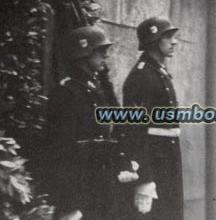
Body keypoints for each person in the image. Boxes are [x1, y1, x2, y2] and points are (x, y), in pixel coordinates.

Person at [46, 25, 138, 220]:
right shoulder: (67, 93)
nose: (106, 56)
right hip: (80, 191)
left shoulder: (95, 90)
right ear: (83, 54)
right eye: (100, 51)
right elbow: (61, 150)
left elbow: (114, 124)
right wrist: (69, 203)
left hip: (101, 186)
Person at [122, 16, 184, 220]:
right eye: (168, 37)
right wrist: (144, 178)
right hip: (154, 162)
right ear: (154, 41)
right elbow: (133, 130)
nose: (174, 42)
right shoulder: (141, 76)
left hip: (167, 158)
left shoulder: (159, 72)